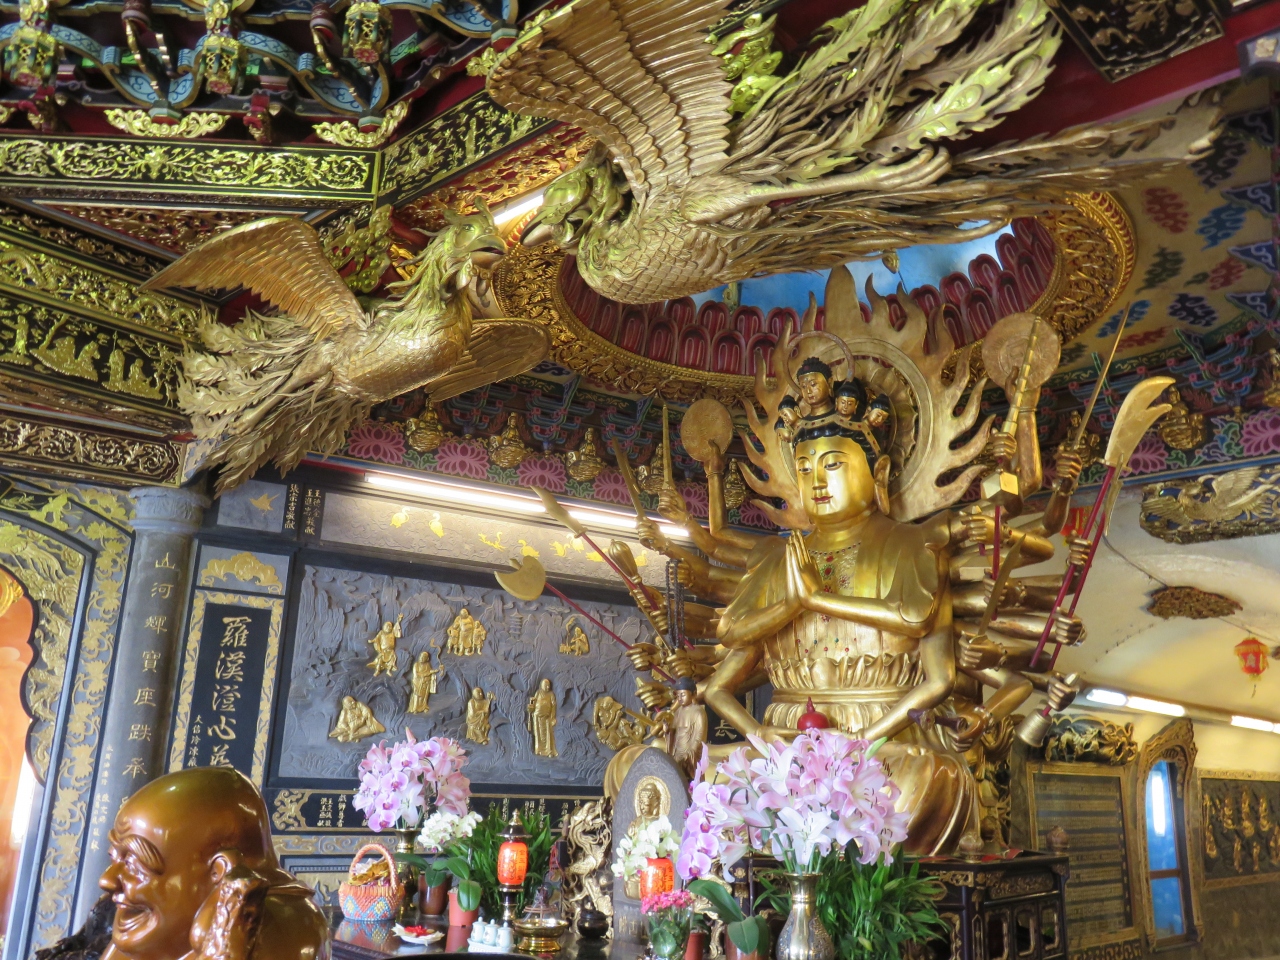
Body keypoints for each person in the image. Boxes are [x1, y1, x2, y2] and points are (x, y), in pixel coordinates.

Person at [98, 768, 327, 960]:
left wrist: (223, 939)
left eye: (134, 865)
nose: (106, 881)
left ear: (218, 872)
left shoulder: (282, 927)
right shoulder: (141, 923)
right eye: (114, 857)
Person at [526, 678, 558, 757]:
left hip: (546, 717)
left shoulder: (551, 694)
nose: (547, 687)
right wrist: (531, 708)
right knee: (538, 734)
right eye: (546, 685)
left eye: (548, 685)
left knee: (547, 734)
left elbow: (553, 706)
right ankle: (538, 750)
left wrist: (553, 717)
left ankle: (549, 751)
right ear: (542, 685)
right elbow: (534, 703)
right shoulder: (538, 693)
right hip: (537, 717)